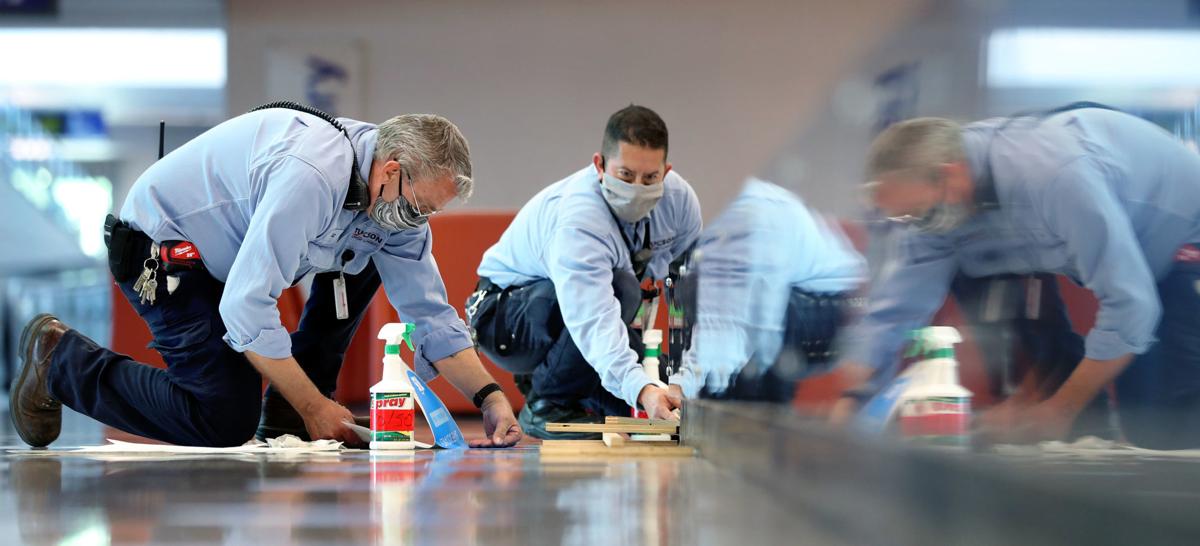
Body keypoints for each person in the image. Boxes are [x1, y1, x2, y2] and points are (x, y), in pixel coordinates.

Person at [12, 105, 522, 448]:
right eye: (420, 207)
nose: (420, 222)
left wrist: (489, 397)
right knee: (221, 418)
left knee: (365, 264)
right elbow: (246, 307)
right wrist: (315, 403)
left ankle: (287, 416)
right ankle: (63, 362)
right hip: (164, 249)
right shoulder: (313, 174)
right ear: (390, 170)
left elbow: (430, 314)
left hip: (231, 259)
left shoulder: (394, 209)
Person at [835, 105, 1200, 449]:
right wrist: (855, 398)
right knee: (982, 291)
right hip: (1092, 239)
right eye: (905, 220)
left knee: (1160, 417)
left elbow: (1132, 305)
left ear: (952, 172)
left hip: (1181, 234)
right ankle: (1081, 438)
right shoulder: (932, 208)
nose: (916, 228)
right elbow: (897, 308)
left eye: (918, 215)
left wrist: (1060, 409)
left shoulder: (1056, 177)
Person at [468, 105, 701, 438]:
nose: (637, 187)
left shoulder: (680, 203)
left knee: (659, 389)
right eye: (626, 175)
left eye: (650, 178)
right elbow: (592, 317)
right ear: (600, 166)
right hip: (507, 319)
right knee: (623, 291)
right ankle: (547, 403)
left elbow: (689, 298)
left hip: (583, 316)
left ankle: (572, 391)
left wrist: (681, 377)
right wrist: (641, 388)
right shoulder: (579, 219)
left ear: (666, 171)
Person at [668, 178, 866, 403]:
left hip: (832, 304)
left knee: (746, 373)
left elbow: (761, 325)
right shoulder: (718, 228)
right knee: (695, 289)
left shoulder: (753, 217)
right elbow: (713, 317)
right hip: (793, 296)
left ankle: (759, 413)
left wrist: (736, 381)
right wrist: (684, 384)